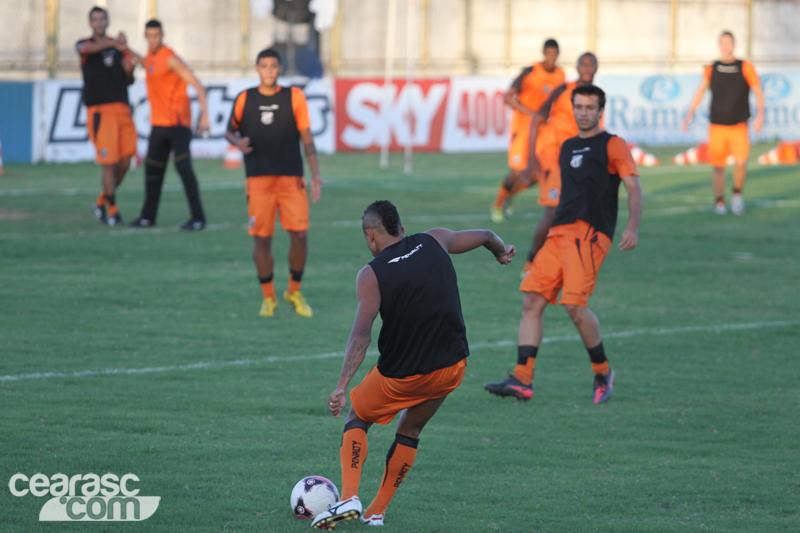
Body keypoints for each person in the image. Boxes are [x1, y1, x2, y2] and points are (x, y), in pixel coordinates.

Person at [311, 200, 515, 529]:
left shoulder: (371, 274)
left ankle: (349, 496)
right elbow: (487, 234)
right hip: (451, 367)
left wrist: (341, 386)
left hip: (402, 375)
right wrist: (501, 252)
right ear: (402, 230)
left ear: (371, 234)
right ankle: (376, 511)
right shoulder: (435, 239)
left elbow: (360, 336)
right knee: (411, 429)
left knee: (358, 416)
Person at [484, 84, 642, 405]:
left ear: (600, 111)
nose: (584, 112)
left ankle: (603, 372)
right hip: (558, 234)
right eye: (579, 107)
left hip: (589, 235)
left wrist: (632, 226)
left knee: (574, 306)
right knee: (532, 301)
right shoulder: (567, 147)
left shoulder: (613, 145)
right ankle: (522, 379)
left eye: (590, 107)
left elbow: (633, 185)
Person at [225, 48, 323, 317]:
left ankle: (294, 290)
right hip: (258, 181)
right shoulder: (245, 99)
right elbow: (229, 131)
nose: (268, 70)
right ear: (257, 68)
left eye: (273, 65)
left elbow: (307, 137)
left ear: (280, 68)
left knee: (300, 236)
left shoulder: (294, 97)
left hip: (291, 178)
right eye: (263, 65)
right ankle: (268, 298)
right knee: (262, 240)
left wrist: (315, 174)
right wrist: (238, 142)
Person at [520, 52, 599, 277]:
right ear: (577, 67)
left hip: (577, 160)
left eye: (590, 64)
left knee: (578, 211)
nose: (586, 67)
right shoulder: (564, 90)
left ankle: (566, 260)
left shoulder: (596, 97)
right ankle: (530, 264)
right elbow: (537, 119)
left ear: (595, 68)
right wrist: (531, 159)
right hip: (552, 156)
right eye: (582, 63)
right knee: (553, 212)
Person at [127, 19, 210, 230]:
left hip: (178, 123)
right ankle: (148, 217)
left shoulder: (171, 59)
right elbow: (148, 65)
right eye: (149, 35)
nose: (153, 39)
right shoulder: (152, 57)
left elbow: (198, 85)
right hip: (159, 125)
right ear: (145, 36)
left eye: (156, 35)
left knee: (183, 168)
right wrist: (125, 49)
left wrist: (204, 116)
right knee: (152, 171)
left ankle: (198, 218)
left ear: (162, 36)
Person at [683, 31, 764, 215]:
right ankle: (719, 200)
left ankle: (737, 193)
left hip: (739, 125)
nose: (725, 46)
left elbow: (758, 90)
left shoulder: (745, 66)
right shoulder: (712, 68)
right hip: (717, 126)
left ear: (734, 45)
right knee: (718, 167)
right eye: (722, 43)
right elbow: (701, 91)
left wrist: (761, 116)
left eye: (729, 43)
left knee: (741, 164)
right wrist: (689, 114)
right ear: (719, 45)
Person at [491, 39, 564, 223]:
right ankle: (498, 205)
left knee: (537, 175)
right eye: (548, 54)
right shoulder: (530, 72)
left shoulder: (561, 75)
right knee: (516, 173)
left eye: (554, 55)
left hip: (543, 132)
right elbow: (507, 98)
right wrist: (533, 114)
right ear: (543, 54)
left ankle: (509, 195)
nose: (551, 58)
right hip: (523, 129)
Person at [77, 6, 136, 227]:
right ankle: (113, 211)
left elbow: (129, 80)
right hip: (101, 111)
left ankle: (101, 201)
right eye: (95, 19)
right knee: (109, 163)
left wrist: (129, 70)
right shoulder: (85, 44)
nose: (99, 22)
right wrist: (114, 43)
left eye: (102, 19)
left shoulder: (119, 49)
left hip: (122, 109)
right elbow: (85, 50)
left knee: (125, 161)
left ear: (107, 21)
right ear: (90, 23)